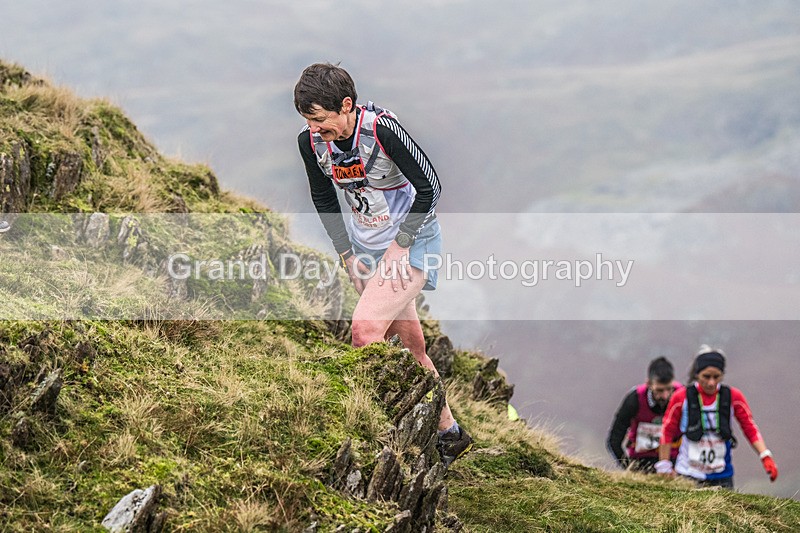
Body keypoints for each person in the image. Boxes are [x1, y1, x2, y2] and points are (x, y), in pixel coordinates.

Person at [293, 63, 472, 467]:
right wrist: (347, 255)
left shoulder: (381, 131)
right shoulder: (312, 143)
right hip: (365, 250)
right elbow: (324, 198)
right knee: (412, 347)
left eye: (322, 121)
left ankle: (373, 432)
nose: (317, 131)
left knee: (365, 330)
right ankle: (450, 433)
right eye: (309, 123)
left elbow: (431, 187)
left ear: (347, 105)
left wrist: (400, 245)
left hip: (411, 245)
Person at [655, 345, 779, 488]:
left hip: (722, 475)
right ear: (697, 374)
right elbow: (667, 429)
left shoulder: (733, 396)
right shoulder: (681, 396)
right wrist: (664, 463)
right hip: (688, 472)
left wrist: (765, 455)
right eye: (706, 377)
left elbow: (749, 427)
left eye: (716, 377)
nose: (711, 382)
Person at [606, 356, 683, 473]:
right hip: (641, 461)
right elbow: (614, 439)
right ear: (649, 384)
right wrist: (629, 468)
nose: (665, 396)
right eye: (660, 390)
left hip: (675, 461)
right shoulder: (634, 399)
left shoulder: (683, 395)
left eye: (669, 389)